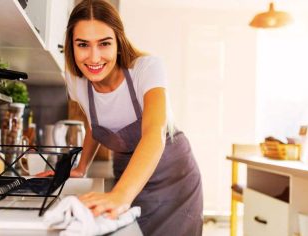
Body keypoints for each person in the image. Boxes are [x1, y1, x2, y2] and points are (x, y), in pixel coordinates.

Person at [37, 0, 203, 235]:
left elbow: (154, 133)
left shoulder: (146, 69)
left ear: (118, 42)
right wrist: (81, 167)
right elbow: (96, 124)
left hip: (173, 176)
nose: (94, 58)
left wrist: (121, 195)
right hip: (127, 172)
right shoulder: (76, 81)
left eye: (104, 43)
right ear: (71, 46)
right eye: (83, 44)